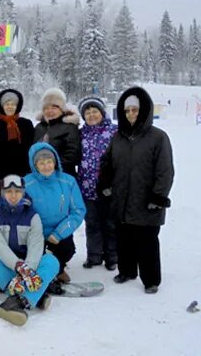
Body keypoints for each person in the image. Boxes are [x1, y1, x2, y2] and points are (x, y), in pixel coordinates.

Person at [97, 87, 174, 294]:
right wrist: (105, 183)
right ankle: (127, 271)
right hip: (121, 199)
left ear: (145, 110)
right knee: (124, 238)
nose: (131, 114)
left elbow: (165, 171)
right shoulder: (118, 138)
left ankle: (151, 280)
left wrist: (158, 196)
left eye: (135, 110)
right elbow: (107, 163)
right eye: (127, 110)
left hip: (146, 201)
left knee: (147, 242)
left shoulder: (158, 138)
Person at [0, 175, 58, 326]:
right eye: (9, 191)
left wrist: (28, 271)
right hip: (6, 267)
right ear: (2, 193)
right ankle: (35, 295)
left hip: (29, 269)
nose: (13, 196)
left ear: (23, 192)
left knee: (51, 261)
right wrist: (18, 266)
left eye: (17, 191)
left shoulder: (32, 216)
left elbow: (36, 245)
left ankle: (15, 302)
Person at [23, 143, 86, 292]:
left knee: (67, 250)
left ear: (55, 161)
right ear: (34, 164)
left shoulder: (68, 181)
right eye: (41, 163)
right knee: (32, 255)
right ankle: (42, 274)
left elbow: (78, 210)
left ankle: (58, 269)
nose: (46, 166)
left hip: (58, 231)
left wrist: (59, 233)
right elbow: (13, 201)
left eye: (49, 162)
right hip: (34, 232)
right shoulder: (26, 182)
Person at [77, 96, 119, 270]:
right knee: (92, 223)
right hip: (87, 188)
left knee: (110, 224)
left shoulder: (114, 131)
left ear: (102, 113)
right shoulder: (80, 133)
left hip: (109, 187)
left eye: (95, 111)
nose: (91, 115)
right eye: (87, 112)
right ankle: (94, 256)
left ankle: (112, 257)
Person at [0, 89, 35, 202]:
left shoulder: (26, 124)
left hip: (22, 175)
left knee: (22, 208)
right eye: (7, 104)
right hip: (0, 176)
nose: (10, 107)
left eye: (13, 104)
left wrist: (29, 174)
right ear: (1, 106)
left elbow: (31, 149)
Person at [33, 87, 82, 177]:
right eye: (46, 108)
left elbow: (72, 154)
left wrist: (50, 168)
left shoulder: (70, 126)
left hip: (62, 176)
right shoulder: (39, 127)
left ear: (62, 109)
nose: (50, 111)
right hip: (40, 175)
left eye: (54, 107)